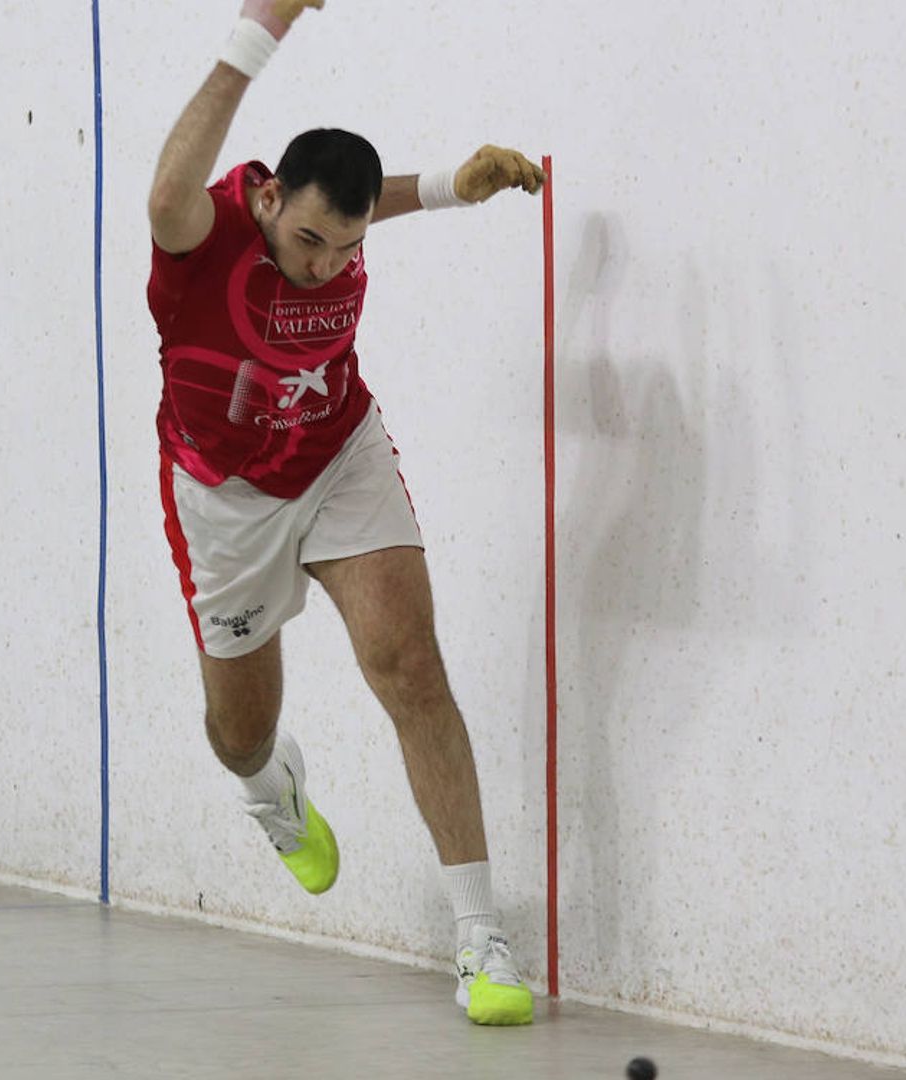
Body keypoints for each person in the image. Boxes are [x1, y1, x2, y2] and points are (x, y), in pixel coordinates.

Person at [144, 0, 545, 1027]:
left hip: (338, 455)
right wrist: (261, 28)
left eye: (343, 247)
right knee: (239, 733)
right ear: (267, 197)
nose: (324, 263)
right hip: (224, 499)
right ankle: (270, 790)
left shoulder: (336, 228)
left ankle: (482, 940)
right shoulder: (202, 239)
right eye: (308, 238)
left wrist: (451, 185)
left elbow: (366, 206)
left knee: (409, 665)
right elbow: (164, 192)